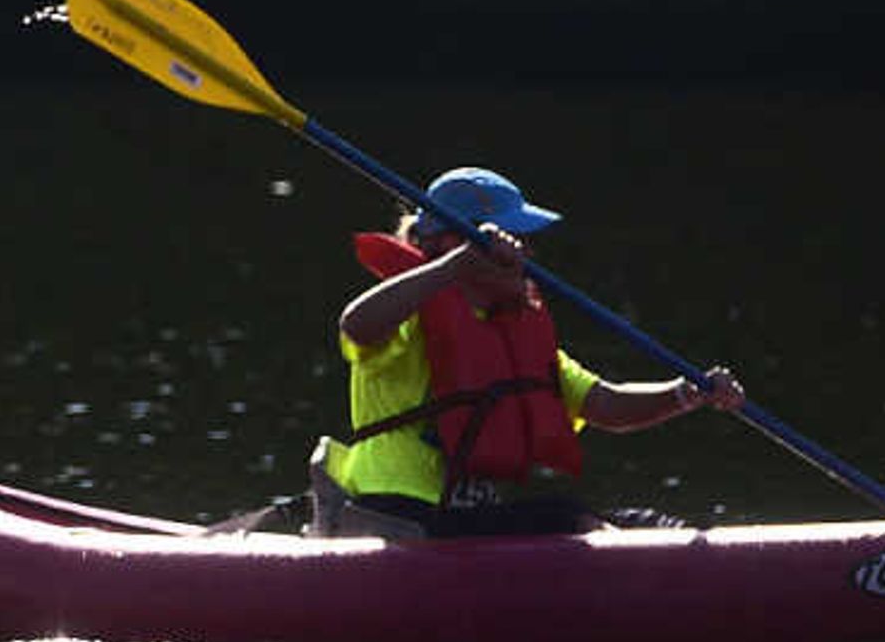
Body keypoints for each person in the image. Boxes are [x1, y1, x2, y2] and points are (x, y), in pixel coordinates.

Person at [308, 166, 747, 539]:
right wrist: (455, 266)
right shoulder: (408, 317)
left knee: (639, 523)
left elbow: (605, 404)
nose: (526, 252)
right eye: (514, 237)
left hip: (461, 523)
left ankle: (715, 572)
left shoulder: (513, 335)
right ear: (453, 243)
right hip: (392, 516)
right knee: (567, 518)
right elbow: (356, 323)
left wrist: (687, 393)